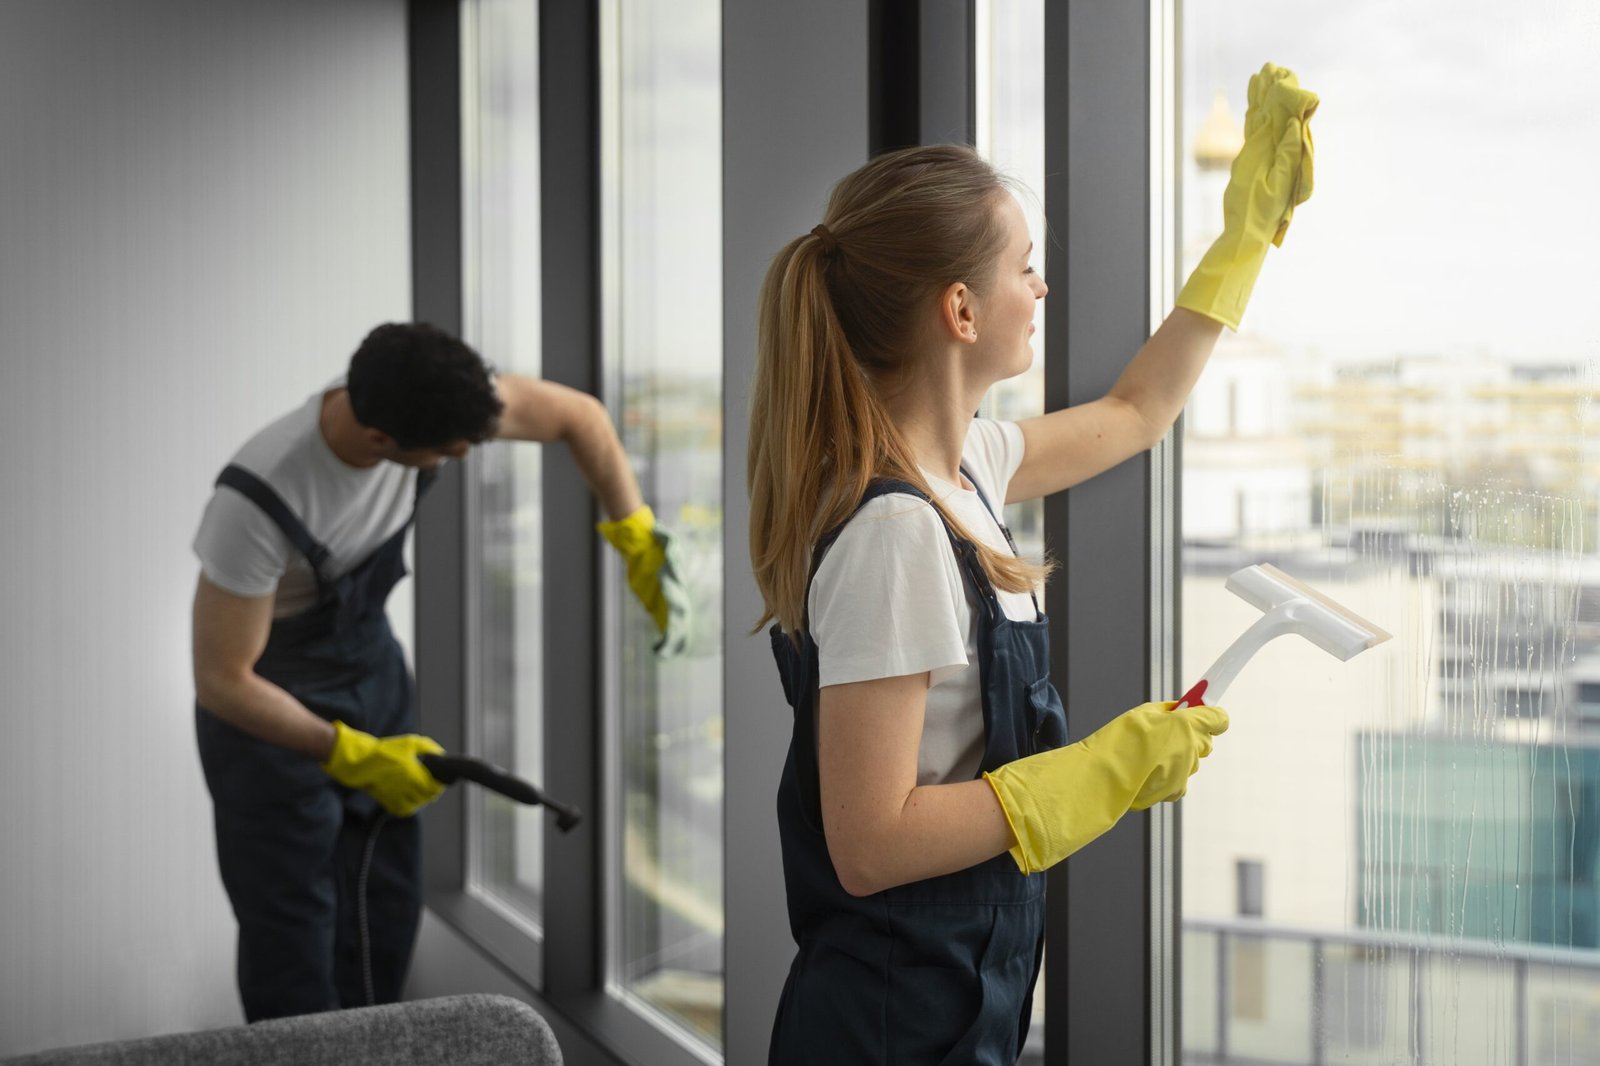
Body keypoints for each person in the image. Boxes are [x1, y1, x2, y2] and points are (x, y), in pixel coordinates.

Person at [748, 64, 1316, 1063]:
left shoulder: (965, 464)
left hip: (959, 1000)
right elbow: (869, 843)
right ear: (960, 311)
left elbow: (1136, 413)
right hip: (887, 1028)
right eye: (1026, 267)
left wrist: (1242, 240)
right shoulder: (896, 529)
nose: (1041, 286)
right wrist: (1099, 771)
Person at [191, 321, 688, 1021]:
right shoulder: (258, 499)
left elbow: (581, 417)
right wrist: (347, 751)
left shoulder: (440, 397)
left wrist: (634, 533)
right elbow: (221, 680)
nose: (464, 454)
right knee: (294, 947)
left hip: (371, 673)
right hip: (267, 719)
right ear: (381, 444)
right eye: (451, 452)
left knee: (384, 916)